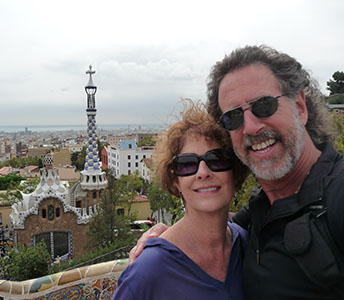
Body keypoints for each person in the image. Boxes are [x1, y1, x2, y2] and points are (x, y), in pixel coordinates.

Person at [130, 45, 344, 299]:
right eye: (233, 118)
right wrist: (168, 240)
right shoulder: (257, 216)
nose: (251, 127)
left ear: (300, 106)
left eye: (264, 105)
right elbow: (214, 225)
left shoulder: (337, 196)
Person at [113, 100, 249, 299]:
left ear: (234, 171)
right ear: (175, 180)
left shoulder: (247, 246)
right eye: (187, 165)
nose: (203, 172)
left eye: (216, 159)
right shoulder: (149, 271)